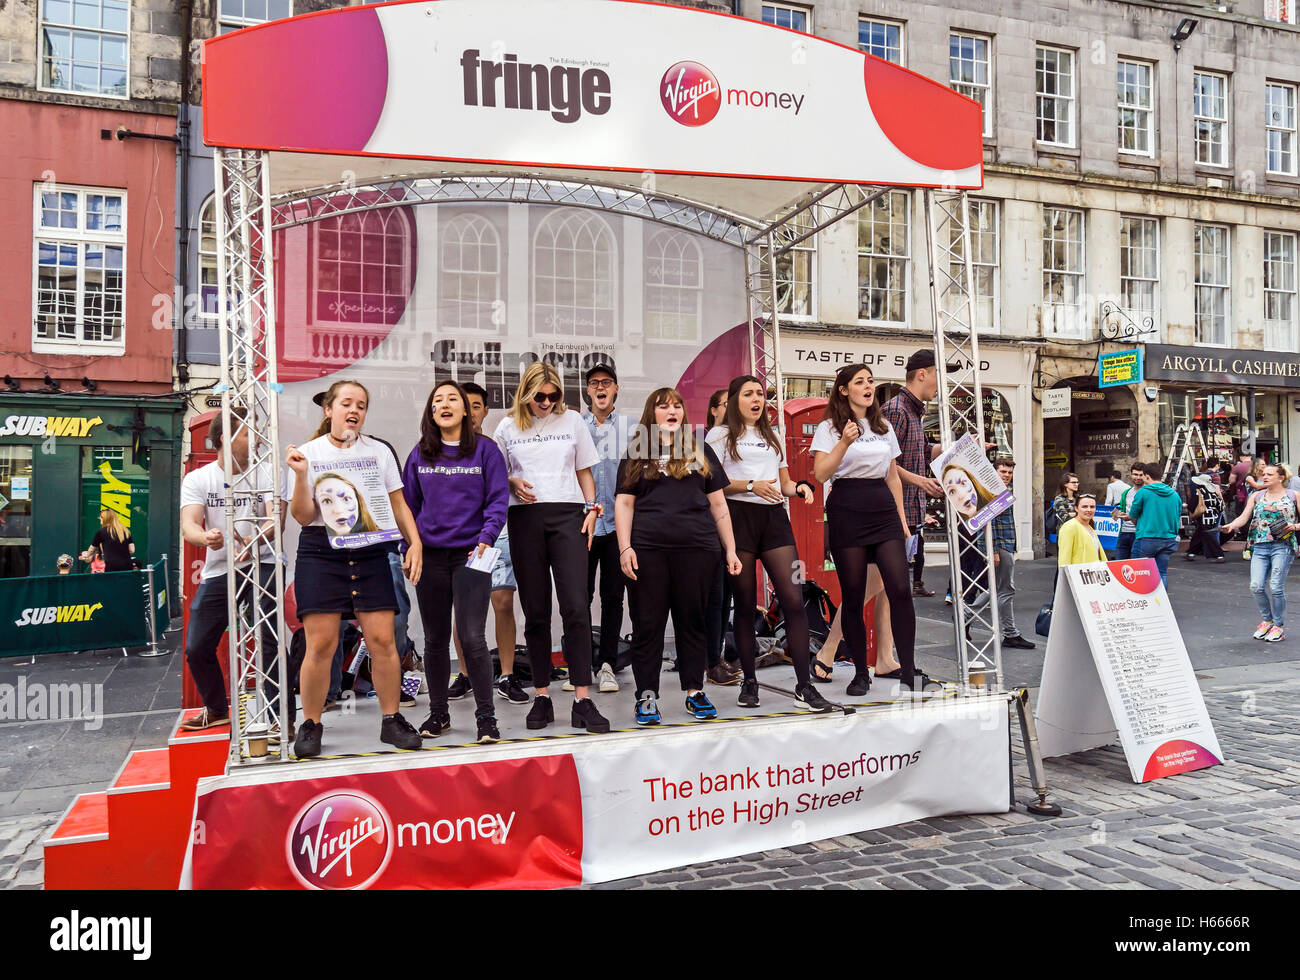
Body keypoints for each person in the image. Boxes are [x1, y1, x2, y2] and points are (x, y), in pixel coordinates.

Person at [285, 380, 424, 757]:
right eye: (346, 403)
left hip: (370, 547)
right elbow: (302, 515)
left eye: (361, 405)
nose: (354, 411)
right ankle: (310, 723)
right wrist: (300, 475)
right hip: (320, 550)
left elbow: (398, 505)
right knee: (322, 644)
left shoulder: (379, 452)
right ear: (328, 409)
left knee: (383, 641)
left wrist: (415, 542)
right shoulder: (307, 453)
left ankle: (391, 720)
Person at [494, 362, 610, 734]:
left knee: (576, 606)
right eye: (539, 396)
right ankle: (542, 695)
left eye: (553, 395)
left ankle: (582, 698)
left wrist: (593, 508)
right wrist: (512, 481)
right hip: (525, 518)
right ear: (525, 393)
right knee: (536, 609)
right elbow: (496, 476)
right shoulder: (507, 426)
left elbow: (584, 471)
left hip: (568, 515)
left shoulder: (572, 421)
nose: (546, 402)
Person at [617, 388, 742, 724]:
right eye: (663, 406)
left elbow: (718, 504)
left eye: (676, 405)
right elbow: (624, 503)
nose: (671, 410)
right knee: (648, 626)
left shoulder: (700, 449)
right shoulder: (636, 450)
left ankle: (694, 692)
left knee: (693, 622)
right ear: (651, 414)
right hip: (648, 552)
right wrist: (625, 547)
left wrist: (730, 548)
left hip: (698, 551)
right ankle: (646, 696)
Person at [707, 375, 832, 712]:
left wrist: (800, 488)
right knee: (745, 605)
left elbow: (784, 482)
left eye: (760, 394)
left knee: (793, 600)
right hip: (738, 520)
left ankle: (804, 686)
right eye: (748, 393)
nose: (756, 399)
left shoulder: (772, 434)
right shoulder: (718, 435)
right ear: (734, 400)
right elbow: (712, 483)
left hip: (775, 521)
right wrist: (750, 485)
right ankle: (749, 682)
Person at [403, 381, 510, 743]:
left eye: (452, 399)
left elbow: (497, 500)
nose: (444, 404)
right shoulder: (420, 454)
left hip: (472, 555)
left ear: (467, 410)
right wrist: (412, 545)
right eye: (437, 400)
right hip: (430, 558)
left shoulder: (486, 452)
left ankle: (486, 719)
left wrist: (485, 539)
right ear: (431, 412)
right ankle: (438, 715)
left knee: (472, 637)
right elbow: (409, 507)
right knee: (435, 640)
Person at [179, 408, 288, 733]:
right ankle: (215, 709)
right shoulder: (199, 478)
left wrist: (253, 541)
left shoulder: (269, 471)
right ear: (226, 439)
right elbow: (189, 525)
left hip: (264, 562)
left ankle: (281, 718)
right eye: (247, 433)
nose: (255, 438)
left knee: (269, 639)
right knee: (197, 647)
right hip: (221, 569)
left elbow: (275, 521)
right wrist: (206, 538)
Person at [811, 363, 917, 693]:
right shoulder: (829, 428)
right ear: (844, 390)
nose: (868, 386)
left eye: (871, 381)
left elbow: (891, 475)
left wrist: (901, 520)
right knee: (854, 596)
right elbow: (820, 474)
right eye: (860, 382)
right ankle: (860, 672)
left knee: (899, 588)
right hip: (847, 506)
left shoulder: (883, 425)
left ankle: (909, 669)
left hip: (881, 507)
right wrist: (843, 442)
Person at [447, 381, 528, 706]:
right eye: (464, 404)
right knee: (461, 610)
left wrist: (507, 479)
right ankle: (465, 674)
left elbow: (502, 485)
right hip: (459, 538)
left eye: (476, 405)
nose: (469, 411)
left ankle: (507, 675)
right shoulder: (440, 448)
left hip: (497, 535)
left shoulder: (494, 447)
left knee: (503, 603)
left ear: (483, 411)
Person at [580, 363, 632, 694]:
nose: (601, 388)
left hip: (618, 528)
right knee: (579, 598)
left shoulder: (631, 428)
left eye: (607, 383)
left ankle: (608, 665)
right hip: (582, 527)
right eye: (594, 383)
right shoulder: (574, 427)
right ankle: (583, 664)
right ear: (587, 391)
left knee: (614, 598)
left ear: (615, 389)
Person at [881, 350, 944, 599]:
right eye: (938, 375)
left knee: (895, 592)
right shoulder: (897, 411)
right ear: (921, 374)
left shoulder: (914, 411)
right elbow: (883, 462)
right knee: (886, 591)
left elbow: (923, 450)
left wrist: (959, 447)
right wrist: (920, 481)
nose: (941, 384)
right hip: (897, 514)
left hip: (910, 514)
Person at [1221, 462, 1300, 642]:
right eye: (1263, 474)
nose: (1264, 477)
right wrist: (1232, 525)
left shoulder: (1293, 496)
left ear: (1281, 477)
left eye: (1269, 474)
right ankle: (1267, 620)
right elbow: (1244, 517)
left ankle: (1278, 626)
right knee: (1256, 586)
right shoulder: (1256, 496)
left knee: (1276, 587)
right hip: (1260, 545)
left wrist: (1294, 526)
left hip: (1283, 545)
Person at [968, 457, 1034, 649]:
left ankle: (966, 619)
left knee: (997, 589)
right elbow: (989, 524)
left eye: (1010, 472)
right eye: (1003, 471)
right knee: (1005, 590)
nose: (1007, 475)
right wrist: (994, 552)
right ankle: (1010, 633)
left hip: (1005, 545)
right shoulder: (991, 490)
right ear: (994, 471)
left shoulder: (1001, 490)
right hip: (1000, 546)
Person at [703, 387, 741, 686]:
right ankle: (711, 660)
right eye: (724, 404)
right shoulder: (710, 440)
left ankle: (724, 656)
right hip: (714, 522)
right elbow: (716, 486)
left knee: (729, 595)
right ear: (713, 410)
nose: (730, 409)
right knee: (715, 598)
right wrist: (752, 485)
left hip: (737, 519)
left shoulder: (739, 436)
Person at [1129, 461, 1183, 588]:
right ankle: (1161, 603)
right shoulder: (1174, 494)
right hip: (1169, 538)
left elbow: (1133, 515)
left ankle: (1143, 602)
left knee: (1139, 572)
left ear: (1147, 476)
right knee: (1162, 572)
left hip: (1147, 537)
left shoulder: (1143, 492)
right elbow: (1177, 515)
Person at [1186, 465, 1226, 562]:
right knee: (1199, 534)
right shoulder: (1213, 493)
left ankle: (1219, 555)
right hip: (1213, 517)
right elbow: (1220, 506)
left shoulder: (1199, 492)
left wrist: (1189, 510)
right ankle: (1191, 552)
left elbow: (1192, 505)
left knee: (1208, 535)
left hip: (1203, 517)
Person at [1056, 493, 1106, 566]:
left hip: (1092, 574)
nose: (1089, 510)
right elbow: (1064, 559)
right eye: (1084, 507)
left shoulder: (1090, 527)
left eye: (1092, 507)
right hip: (1078, 575)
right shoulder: (1069, 526)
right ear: (1076, 508)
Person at [1112, 462, 1146, 561]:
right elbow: (1124, 509)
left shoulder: (1148, 493)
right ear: (1131, 475)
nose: (1138, 477)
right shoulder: (1126, 493)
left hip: (1139, 534)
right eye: (1135, 474)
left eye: (1141, 475)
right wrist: (1117, 514)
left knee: (1136, 566)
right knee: (1120, 564)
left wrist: (1131, 517)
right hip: (1124, 532)